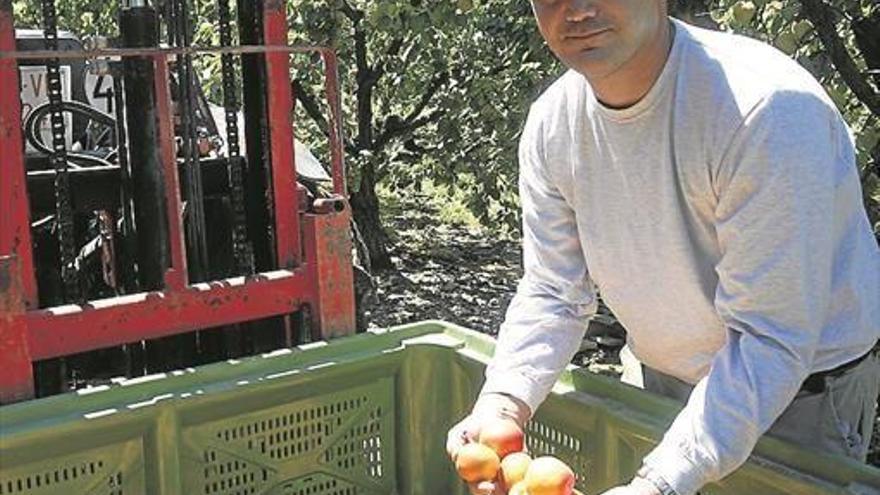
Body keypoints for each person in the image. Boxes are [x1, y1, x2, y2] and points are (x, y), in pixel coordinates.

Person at [445, 1, 880, 494]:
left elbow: (771, 338)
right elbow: (553, 292)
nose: (578, 9)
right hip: (661, 377)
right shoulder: (553, 126)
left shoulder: (765, 112)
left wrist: (659, 484)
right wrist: (502, 405)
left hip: (799, 397)